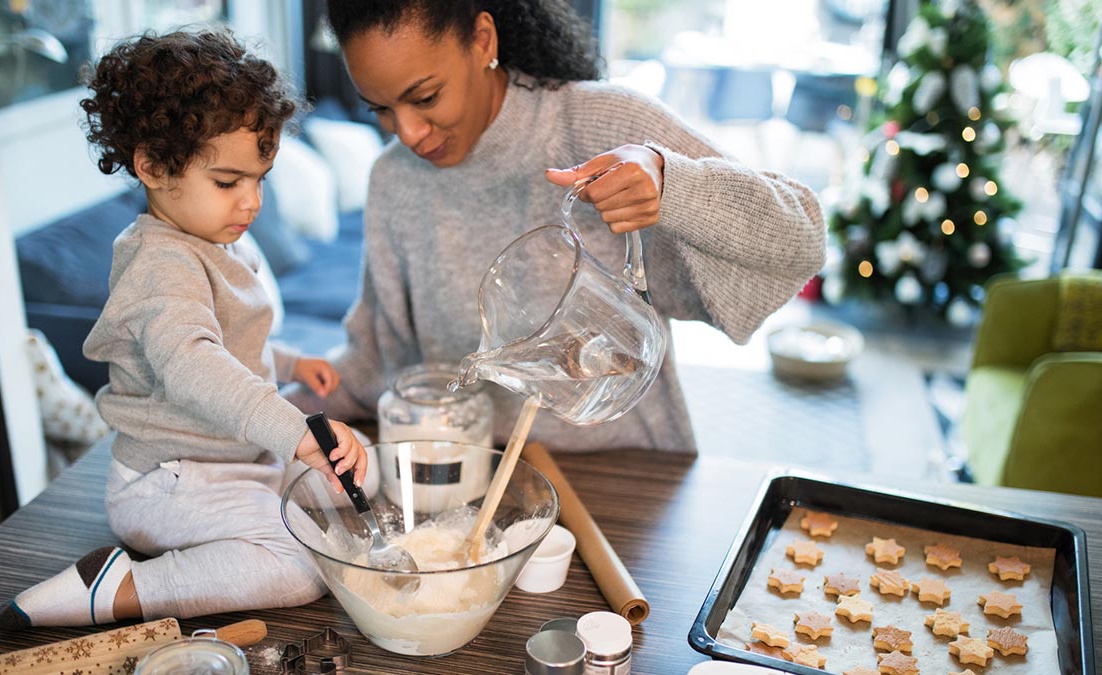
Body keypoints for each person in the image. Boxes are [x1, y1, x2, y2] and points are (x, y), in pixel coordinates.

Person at [286, 0, 827, 452]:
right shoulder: (394, 181)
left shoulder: (601, 127)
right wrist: (267, 412)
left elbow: (802, 239)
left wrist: (672, 184)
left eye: (425, 97)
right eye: (380, 109)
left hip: (626, 474)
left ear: (481, 40)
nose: (406, 132)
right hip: (474, 474)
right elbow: (378, 361)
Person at [0, 29, 369, 629]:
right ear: (152, 165)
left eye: (259, 180)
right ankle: (120, 586)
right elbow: (193, 362)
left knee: (349, 485)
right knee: (304, 566)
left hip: (235, 461)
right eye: (228, 182)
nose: (251, 203)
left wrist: (292, 362)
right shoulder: (161, 263)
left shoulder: (209, 240)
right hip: (167, 483)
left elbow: (226, 340)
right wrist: (296, 430)